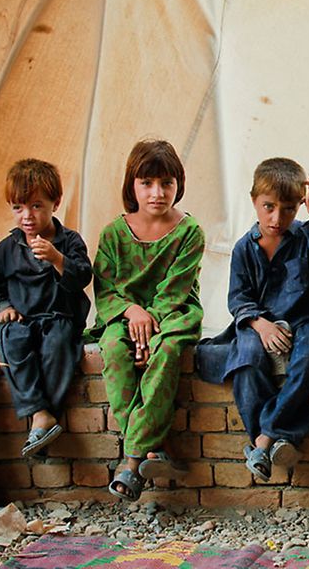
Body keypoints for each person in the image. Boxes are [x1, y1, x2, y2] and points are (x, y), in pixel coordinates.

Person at [196, 158, 309, 482]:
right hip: (256, 323)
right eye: (268, 207)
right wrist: (260, 324)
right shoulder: (243, 249)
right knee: (247, 360)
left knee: (308, 354)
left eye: (289, 209)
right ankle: (277, 437)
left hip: (303, 321)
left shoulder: (306, 239)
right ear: (254, 200)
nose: (277, 218)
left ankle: (262, 441)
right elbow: (238, 298)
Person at [91, 139, 204, 502]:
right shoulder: (113, 233)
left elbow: (175, 290)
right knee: (112, 349)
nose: (157, 193)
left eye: (167, 183)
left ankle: (132, 457)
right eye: (147, 183)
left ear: (178, 185)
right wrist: (131, 314)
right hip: (125, 315)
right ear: (132, 185)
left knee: (167, 350)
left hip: (172, 314)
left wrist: (149, 326)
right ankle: (149, 450)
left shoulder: (189, 232)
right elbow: (106, 289)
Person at [0, 159, 92, 458]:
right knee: (12, 343)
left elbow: (83, 276)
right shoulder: (7, 249)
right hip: (22, 320)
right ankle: (40, 413)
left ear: (55, 204)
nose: (27, 216)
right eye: (18, 207)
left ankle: (42, 420)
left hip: (59, 317)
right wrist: (2, 307)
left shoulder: (69, 241)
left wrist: (58, 260)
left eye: (36, 206)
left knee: (58, 347)